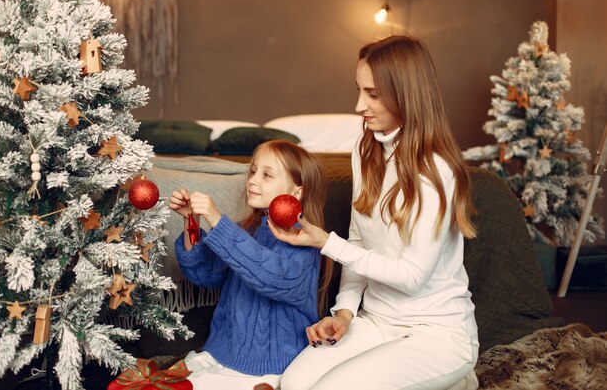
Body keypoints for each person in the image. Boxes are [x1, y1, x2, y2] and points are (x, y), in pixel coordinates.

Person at [270, 35, 480, 390]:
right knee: (292, 385)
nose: (358, 105)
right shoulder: (365, 150)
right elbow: (358, 241)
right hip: (377, 322)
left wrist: (324, 242)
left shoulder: (437, 170)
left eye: (372, 93)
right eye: (359, 90)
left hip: (436, 334)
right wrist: (345, 312)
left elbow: (411, 276)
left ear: (404, 94)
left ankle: (455, 375)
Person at [169, 139, 333, 390]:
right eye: (253, 171)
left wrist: (217, 220)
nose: (252, 180)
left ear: (296, 193)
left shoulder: (305, 241)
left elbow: (272, 277)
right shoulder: (245, 230)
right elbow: (203, 275)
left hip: (272, 366)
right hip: (221, 353)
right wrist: (191, 222)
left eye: (267, 175)